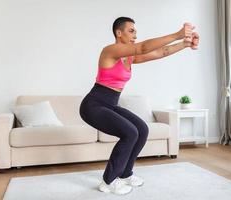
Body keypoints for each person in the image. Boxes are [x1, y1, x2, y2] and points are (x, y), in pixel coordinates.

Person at [79, 16, 199, 195]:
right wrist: (178, 34)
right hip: (93, 105)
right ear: (119, 33)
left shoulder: (129, 57)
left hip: (110, 104)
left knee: (142, 129)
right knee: (130, 132)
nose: (135, 35)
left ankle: (126, 174)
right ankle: (108, 181)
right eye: (131, 31)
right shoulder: (110, 51)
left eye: (136, 31)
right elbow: (143, 47)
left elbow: (161, 52)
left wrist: (185, 44)